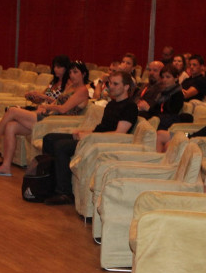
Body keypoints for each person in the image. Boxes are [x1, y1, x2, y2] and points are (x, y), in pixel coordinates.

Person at [0, 61, 91, 176]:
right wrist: (45, 104)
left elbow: (63, 109)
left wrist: (47, 106)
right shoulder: (71, 86)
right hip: (49, 116)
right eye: (70, 72)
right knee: (11, 126)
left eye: (76, 72)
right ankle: (5, 166)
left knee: (12, 111)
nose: (72, 75)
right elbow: (57, 102)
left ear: (84, 74)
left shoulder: (82, 90)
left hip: (56, 123)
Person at [42, 71, 138, 206]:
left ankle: (64, 192)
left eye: (116, 84)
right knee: (49, 138)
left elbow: (119, 134)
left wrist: (90, 136)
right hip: (94, 137)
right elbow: (102, 128)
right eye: (110, 83)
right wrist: (84, 132)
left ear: (126, 87)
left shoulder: (130, 107)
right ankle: (49, 184)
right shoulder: (111, 104)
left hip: (102, 143)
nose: (111, 86)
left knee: (61, 146)